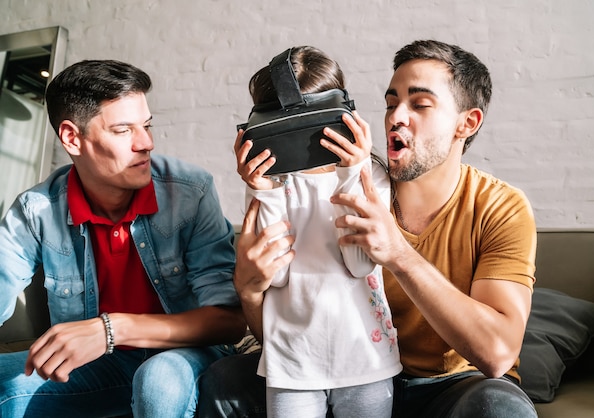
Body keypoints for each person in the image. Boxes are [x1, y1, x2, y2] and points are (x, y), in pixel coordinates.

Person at [200, 39, 538, 418]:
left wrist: (398, 254)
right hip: (339, 368)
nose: (396, 117)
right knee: (223, 380)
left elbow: (496, 355)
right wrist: (248, 290)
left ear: (467, 122)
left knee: (497, 406)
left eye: (419, 104)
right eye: (391, 103)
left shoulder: (499, 206)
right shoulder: (343, 187)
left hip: (449, 387)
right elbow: (289, 337)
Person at [0, 60, 247, 418]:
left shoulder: (191, 192)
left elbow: (229, 322)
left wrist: (111, 329)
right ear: (72, 137)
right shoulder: (37, 210)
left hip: (184, 356)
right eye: (123, 130)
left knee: (158, 380)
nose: (146, 143)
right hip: (97, 367)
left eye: (146, 126)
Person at [234, 46, 401, 418]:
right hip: (292, 360)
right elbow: (274, 276)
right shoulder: (272, 183)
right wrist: (265, 192)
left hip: (365, 354)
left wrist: (350, 173)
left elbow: (360, 265)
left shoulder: (370, 178)